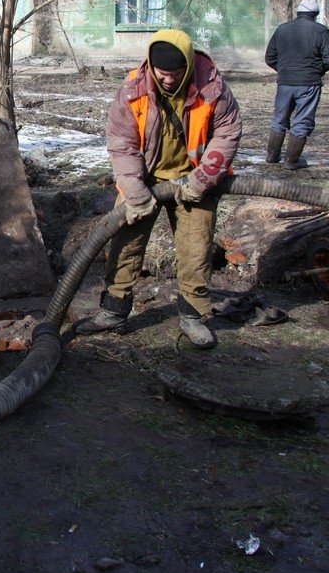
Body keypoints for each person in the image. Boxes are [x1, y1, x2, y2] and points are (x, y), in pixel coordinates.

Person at [77, 29, 242, 349]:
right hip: (144, 179)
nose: (167, 80)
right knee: (124, 244)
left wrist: (204, 179)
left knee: (196, 250)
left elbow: (227, 133)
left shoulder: (211, 87)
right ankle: (113, 311)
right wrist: (135, 193)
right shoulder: (132, 90)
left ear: (188, 65)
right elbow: (122, 145)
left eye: (174, 74)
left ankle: (193, 316)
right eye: (161, 74)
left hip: (195, 179)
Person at [264, 0, 329, 169]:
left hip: (284, 83)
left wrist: (285, 70)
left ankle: (272, 156)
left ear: (298, 13)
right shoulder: (320, 31)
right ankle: (291, 161)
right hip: (309, 83)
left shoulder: (282, 30)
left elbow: (269, 58)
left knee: (279, 119)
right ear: (315, 15)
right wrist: (316, 71)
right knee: (302, 120)